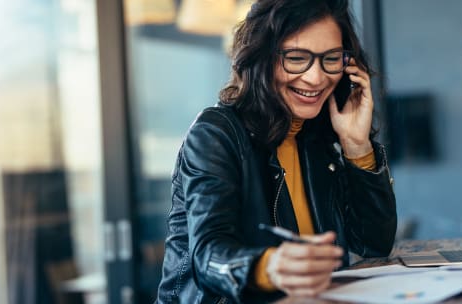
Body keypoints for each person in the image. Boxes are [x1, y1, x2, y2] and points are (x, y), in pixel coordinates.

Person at [156, 0, 397, 303]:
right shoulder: (215, 133)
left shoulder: (315, 140)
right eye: (297, 58)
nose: (316, 77)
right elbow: (208, 256)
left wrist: (356, 145)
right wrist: (269, 266)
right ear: (262, 58)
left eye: (331, 58)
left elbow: (375, 243)